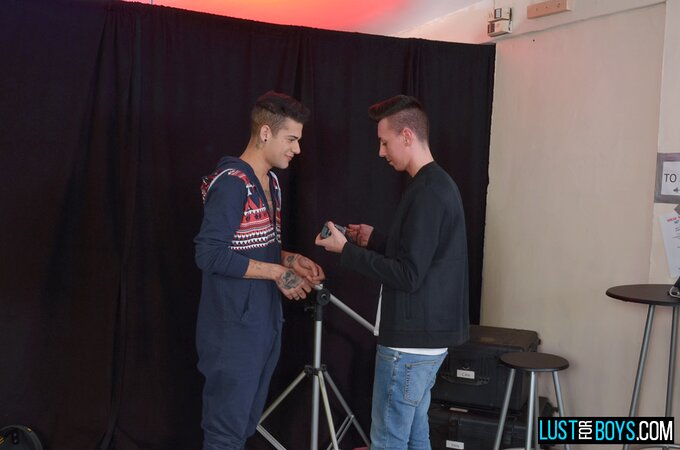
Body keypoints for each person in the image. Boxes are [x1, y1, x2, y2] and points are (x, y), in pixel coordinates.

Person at [315, 95, 469, 450]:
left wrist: (346, 251)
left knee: (388, 442)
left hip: (408, 348)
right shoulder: (437, 185)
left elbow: (408, 275)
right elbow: (424, 257)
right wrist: (375, 240)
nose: (381, 152)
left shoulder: (427, 191)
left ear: (407, 136)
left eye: (385, 142)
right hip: (425, 345)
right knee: (415, 437)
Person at [195, 91, 325, 450]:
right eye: (291, 139)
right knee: (225, 432)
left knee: (244, 425)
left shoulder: (271, 183)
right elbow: (209, 254)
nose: (297, 149)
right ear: (266, 132)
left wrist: (289, 261)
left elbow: (251, 245)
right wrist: (276, 274)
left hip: (263, 323)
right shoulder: (231, 183)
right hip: (232, 331)